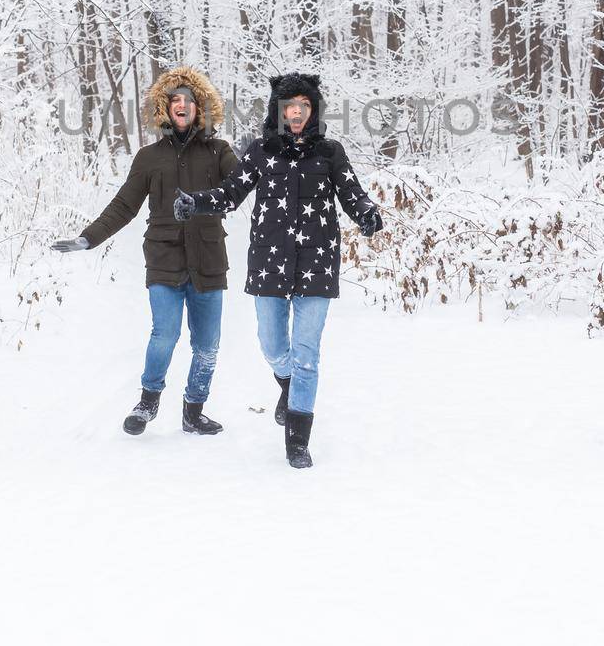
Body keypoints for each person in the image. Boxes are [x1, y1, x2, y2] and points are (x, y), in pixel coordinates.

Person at [174, 73, 382, 468]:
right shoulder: (260, 152)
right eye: (290, 106)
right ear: (280, 111)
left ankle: (297, 442)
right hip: (270, 261)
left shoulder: (330, 152)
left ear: (313, 110)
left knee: (307, 355)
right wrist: (196, 202)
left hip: (317, 262)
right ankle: (285, 384)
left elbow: (353, 194)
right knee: (272, 345)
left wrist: (368, 214)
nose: (297, 112)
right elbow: (230, 193)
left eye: (304, 105)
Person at [51, 67, 237, 437]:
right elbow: (124, 205)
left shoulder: (219, 151)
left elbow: (241, 189)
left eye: (189, 99)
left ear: (201, 107)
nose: (181, 105)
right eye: (175, 100)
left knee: (207, 345)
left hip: (208, 260)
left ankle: (193, 411)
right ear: (165, 109)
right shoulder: (149, 157)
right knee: (163, 335)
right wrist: (89, 238)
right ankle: (148, 402)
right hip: (165, 260)